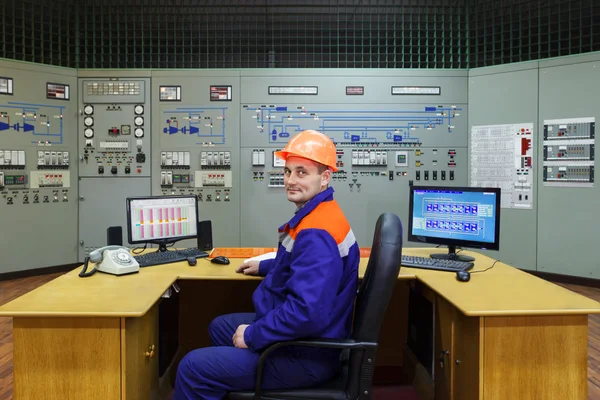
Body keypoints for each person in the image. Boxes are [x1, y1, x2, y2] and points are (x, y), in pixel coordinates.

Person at [173, 130, 360, 399]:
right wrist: (268, 266)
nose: (291, 180)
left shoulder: (317, 233)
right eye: (287, 172)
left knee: (192, 367)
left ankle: (238, 378)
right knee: (220, 326)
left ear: (325, 178)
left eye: (302, 173)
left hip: (304, 355)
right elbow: (305, 266)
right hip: (308, 338)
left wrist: (253, 335)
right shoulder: (322, 213)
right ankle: (240, 385)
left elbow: (306, 312)